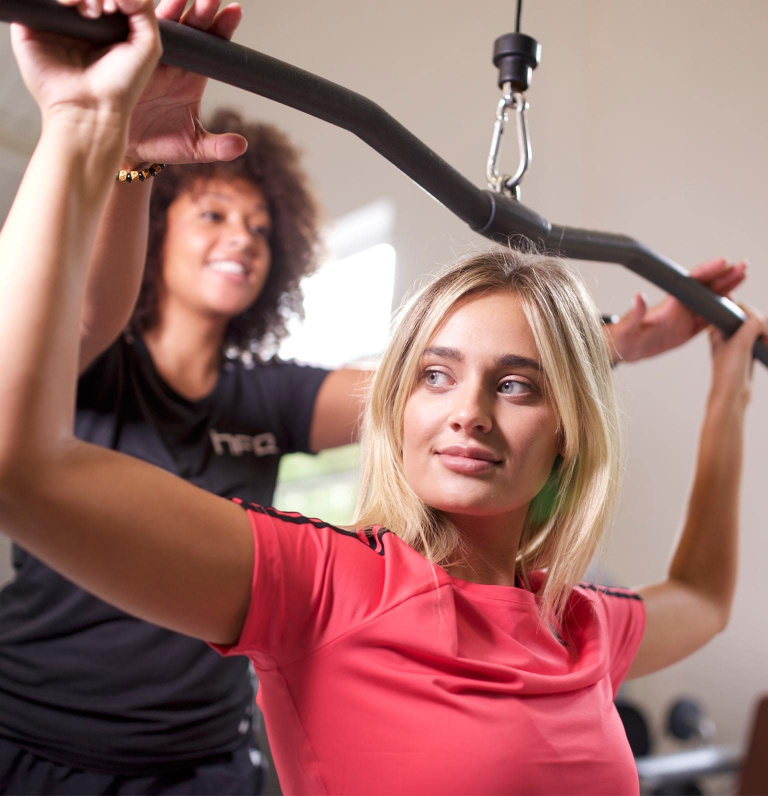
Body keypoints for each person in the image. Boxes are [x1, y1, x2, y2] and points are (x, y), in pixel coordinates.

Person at [0, 1, 761, 794]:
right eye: (434, 375)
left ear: (570, 428)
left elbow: (703, 597)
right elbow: (17, 458)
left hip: (199, 756)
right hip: (43, 734)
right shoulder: (321, 585)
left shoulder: (581, 622)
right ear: (398, 407)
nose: (466, 409)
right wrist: (89, 126)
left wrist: (724, 390)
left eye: (514, 386)